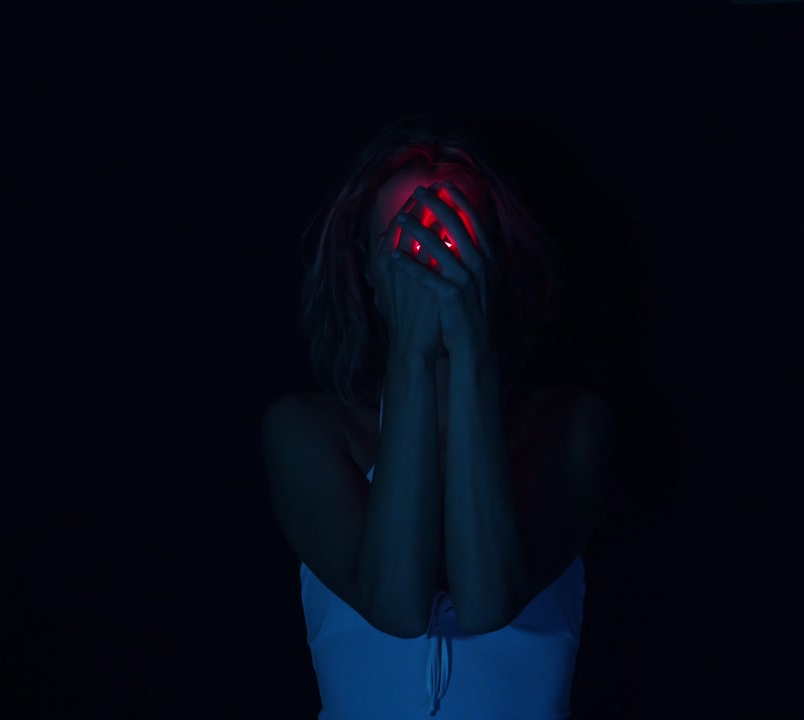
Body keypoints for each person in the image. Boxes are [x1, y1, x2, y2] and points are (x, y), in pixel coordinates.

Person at [262, 112, 612, 718]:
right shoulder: (309, 433)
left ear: (493, 262)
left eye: (455, 241)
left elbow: (487, 604)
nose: (432, 267)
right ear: (371, 273)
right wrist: (412, 356)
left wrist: (471, 348)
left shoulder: (569, 429)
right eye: (406, 246)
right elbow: (397, 607)